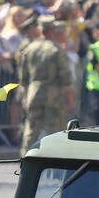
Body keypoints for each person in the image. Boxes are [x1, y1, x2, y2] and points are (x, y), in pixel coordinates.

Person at [18, 16, 74, 153]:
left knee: (31, 130)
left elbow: (23, 78)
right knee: (53, 131)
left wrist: (25, 96)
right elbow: (65, 78)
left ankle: (25, 160)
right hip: (53, 95)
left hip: (34, 92)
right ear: (52, 30)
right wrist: (70, 98)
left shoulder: (29, 48)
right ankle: (51, 161)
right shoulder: (56, 50)